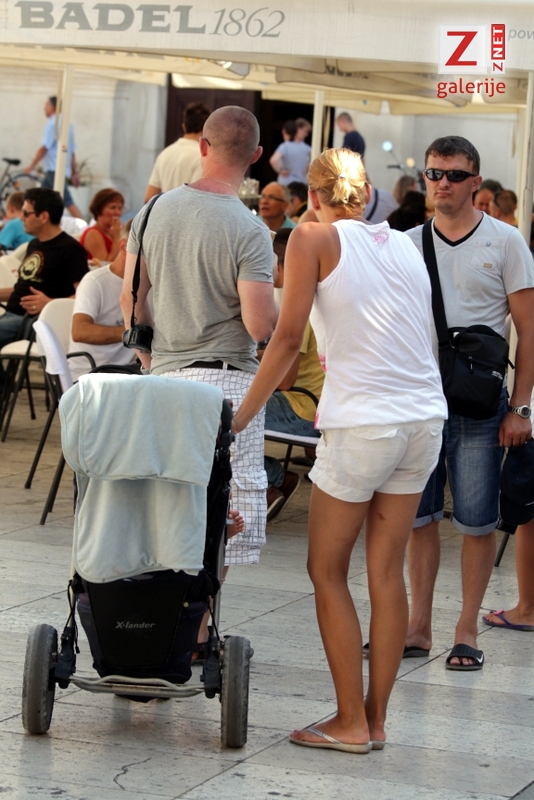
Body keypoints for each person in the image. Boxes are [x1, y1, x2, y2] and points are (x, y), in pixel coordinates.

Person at [232, 147, 446, 752]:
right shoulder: (403, 243)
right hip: (423, 417)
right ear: (368, 193)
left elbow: (285, 339)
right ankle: (373, 721)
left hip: (363, 423)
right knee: (386, 572)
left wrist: (240, 420)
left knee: (326, 570)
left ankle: (350, 721)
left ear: (312, 197)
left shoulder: (311, 239)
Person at [121, 105, 278, 572]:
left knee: (168, 499)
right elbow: (259, 326)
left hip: (165, 377)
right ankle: (204, 609)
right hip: (228, 382)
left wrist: (149, 360)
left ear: (202, 146)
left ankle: (167, 602)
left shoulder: (152, 211)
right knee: (224, 512)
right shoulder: (251, 229)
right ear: (256, 155)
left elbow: (131, 300)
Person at [404, 136, 534, 670]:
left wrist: (520, 408)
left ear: (476, 181)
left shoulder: (506, 242)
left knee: (478, 522)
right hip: (420, 401)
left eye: (455, 175)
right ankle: (418, 626)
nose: (443, 184)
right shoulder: (408, 243)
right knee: (419, 517)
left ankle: (466, 629)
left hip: (480, 405)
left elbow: (528, 330)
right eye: (433, 174)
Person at [263, 228, 324, 521]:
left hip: (303, 407)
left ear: (277, 262)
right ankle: (272, 481)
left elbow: (285, 381)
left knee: (219, 416)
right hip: (317, 404)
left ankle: (273, 478)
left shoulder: (299, 302)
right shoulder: (318, 294)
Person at [0, 188, 88, 385]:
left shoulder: (70, 249)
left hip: (36, 323)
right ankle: (4, 387)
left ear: (44, 216)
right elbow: (22, 288)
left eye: (26, 213)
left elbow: (84, 295)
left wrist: (50, 303)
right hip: (14, 317)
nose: (21, 218)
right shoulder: (35, 244)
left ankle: (3, 389)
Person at [69, 220, 139, 381]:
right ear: (124, 247)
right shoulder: (95, 281)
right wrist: (133, 332)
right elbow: (79, 332)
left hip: (128, 371)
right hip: (90, 374)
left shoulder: (151, 283)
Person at [24, 96, 84, 219]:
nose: (44, 108)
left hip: (54, 168)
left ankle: (84, 224)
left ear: (53, 107)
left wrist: (31, 166)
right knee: (41, 199)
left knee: (66, 200)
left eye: (47, 105)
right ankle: (36, 220)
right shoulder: (68, 124)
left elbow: (44, 147)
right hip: (59, 169)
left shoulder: (53, 124)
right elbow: (72, 151)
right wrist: (74, 172)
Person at [144, 102, 211, 202]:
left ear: (184, 126)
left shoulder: (164, 153)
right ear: (206, 129)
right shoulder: (203, 157)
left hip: (164, 211)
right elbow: (196, 200)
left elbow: (149, 198)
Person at [79, 189, 124, 262]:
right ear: (99, 210)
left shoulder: (111, 232)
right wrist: (117, 237)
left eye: (120, 208)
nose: (118, 212)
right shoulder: (93, 234)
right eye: (113, 207)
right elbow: (106, 264)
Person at [269, 120, 311, 186]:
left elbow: (273, 160)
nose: (306, 135)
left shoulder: (284, 146)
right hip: (301, 183)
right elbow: (319, 158)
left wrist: (280, 171)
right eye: (305, 131)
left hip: (286, 182)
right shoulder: (307, 148)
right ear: (298, 129)